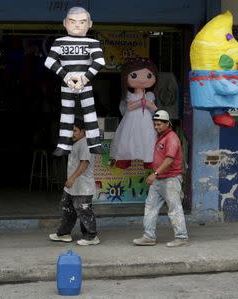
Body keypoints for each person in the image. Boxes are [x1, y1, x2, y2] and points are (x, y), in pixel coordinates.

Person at [44, 6, 105, 156]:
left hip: (84, 83)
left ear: (90, 24)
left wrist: (84, 79)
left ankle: (95, 143)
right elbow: (49, 61)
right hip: (68, 83)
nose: (77, 25)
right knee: (66, 112)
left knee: (89, 112)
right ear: (65, 23)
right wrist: (66, 76)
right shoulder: (59, 42)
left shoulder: (93, 42)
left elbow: (100, 61)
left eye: (82, 22)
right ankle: (64, 144)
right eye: (73, 21)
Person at [133, 110, 189, 247]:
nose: (156, 127)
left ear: (167, 123)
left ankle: (181, 237)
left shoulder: (172, 138)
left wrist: (155, 174)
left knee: (174, 208)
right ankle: (149, 236)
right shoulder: (162, 136)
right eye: (155, 124)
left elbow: (169, 160)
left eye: (159, 124)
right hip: (159, 179)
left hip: (170, 179)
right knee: (150, 207)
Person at [49, 119, 100, 246]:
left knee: (84, 210)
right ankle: (63, 233)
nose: (72, 133)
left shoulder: (85, 144)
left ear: (83, 131)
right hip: (72, 186)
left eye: (75, 131)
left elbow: (84, 163)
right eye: (71, 131)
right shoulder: (76, 142)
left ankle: (91, 236)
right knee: (67, 209)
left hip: (83, 187)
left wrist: (72, 178)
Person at [110, 58, 159, 169]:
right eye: (134, 76)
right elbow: (129, 107)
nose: (142, 80)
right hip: (131, 119)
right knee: (128, 137)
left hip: (145, 119)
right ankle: (125, 159)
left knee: (147, 138)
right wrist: (142, 102)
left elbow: (155, 108)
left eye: (148, 76)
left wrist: (146, 103)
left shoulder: (150, 95)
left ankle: (148, 160)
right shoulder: (128, 95)